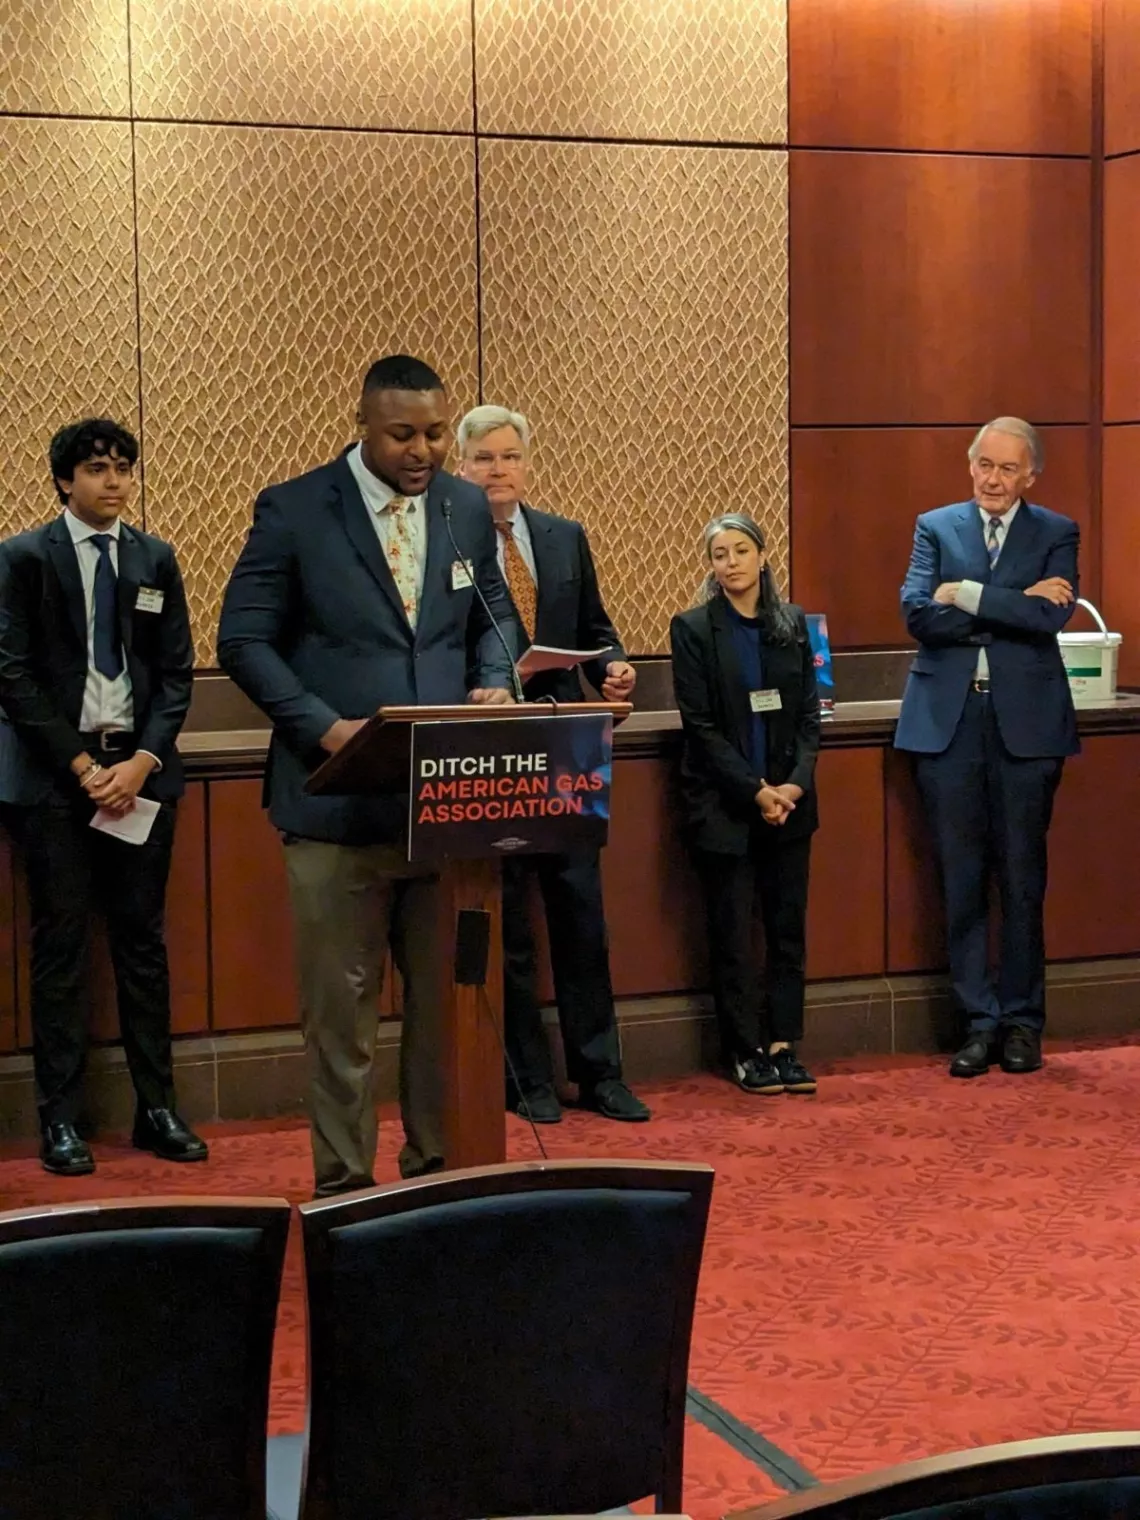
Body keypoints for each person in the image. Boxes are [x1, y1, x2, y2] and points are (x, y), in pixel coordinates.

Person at [217, 356, 516, 1197]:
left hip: (442, 811)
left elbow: (493, 615)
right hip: (334, 810)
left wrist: (494, 676)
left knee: (443, 1018)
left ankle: (432, 1184)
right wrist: (324, 726)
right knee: (342, 1024)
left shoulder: (462, 505)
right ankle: (345, 1195)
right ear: (362, 424)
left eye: (433, 432)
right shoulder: (295, 509)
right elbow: (242, 640)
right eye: (403, 435)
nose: (422, 450)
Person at [0, 417, 206, 1175]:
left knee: (142, 946)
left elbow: (176, 674)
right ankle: (61, 1119)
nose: (113, 481)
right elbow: (11, 673)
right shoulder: (23, 558)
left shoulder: (155, 558)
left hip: (140, 774)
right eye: (96, 469)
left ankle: (158, 1109)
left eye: (123, 467)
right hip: (56, 782)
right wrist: (84, 768)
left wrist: (142, 761)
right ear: (64, 480)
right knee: (59, 950)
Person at [457, 404, 649, 1123]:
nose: (499, 469)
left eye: (510, 456)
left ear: (527, 463)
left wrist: (617, 668)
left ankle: (600, 1073)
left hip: (568, 739)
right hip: (487, 743)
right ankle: (525, 1079)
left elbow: (597, 630)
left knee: (580, 913)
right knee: (504, 917)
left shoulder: (564, 537)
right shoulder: (451, 542)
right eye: (484, 459)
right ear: (463, 468)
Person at [896, 417, 1079, 1079]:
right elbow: (918, 614)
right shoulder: (935, 526)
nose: (994, 480)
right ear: (970, 466)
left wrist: (969, 594)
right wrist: (1012, 601)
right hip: (948, 726)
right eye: (985, 467)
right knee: (962, 878)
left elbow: (1049, 617)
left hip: (1027, 729)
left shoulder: (1056, 532)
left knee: (1024, 881)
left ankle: (1024, 1025)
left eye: (1008, 470)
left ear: (1030, 476)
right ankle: (977, 1024)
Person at [669, 514, 820, 1096]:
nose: (729, 562)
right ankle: (745, 1049)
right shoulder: (693, 628)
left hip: (790, 804)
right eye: (718, 554)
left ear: (762, 557)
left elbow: (810, 718)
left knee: (786, 930)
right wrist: (756, 791)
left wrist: (793, 787)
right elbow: (700, 729)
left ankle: (784, 1044)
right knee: (733, 933)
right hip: (726, 806)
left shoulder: (792, 624)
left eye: (739, 551)